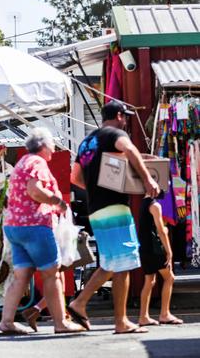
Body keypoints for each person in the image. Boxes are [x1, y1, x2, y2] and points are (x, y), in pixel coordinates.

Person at [69, 100, 160, 334]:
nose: (126, 120)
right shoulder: (115, 134)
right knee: (124, 263)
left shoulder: (87, 142)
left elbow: (75, 177)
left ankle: (80, 303)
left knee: (112, 262)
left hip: (96, 209)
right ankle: (119, 321)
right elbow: (129, 150)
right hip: (115, 207)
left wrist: (96, 187)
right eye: (125, 116)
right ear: (119, 115)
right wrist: (148, 179)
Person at [0, 127, 85, 335]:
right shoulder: (37, 162)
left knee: (21, 276)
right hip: (35, 225)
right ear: (44, 145)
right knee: (51, 274)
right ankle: (60, 322)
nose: (54, 150)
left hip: (15, 226)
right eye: (53, 145)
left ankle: (7, 321)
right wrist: (58, 202)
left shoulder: (22, 162)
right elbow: (35, 191)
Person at [137, 193, 183, 327]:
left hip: (145, 248)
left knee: (149, 281)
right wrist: (169, 251)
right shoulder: (155, 205)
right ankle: (164, 314)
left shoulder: (144, 203)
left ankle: (143, 316)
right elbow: (161, 230)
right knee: (170, 278)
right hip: (155, 249)